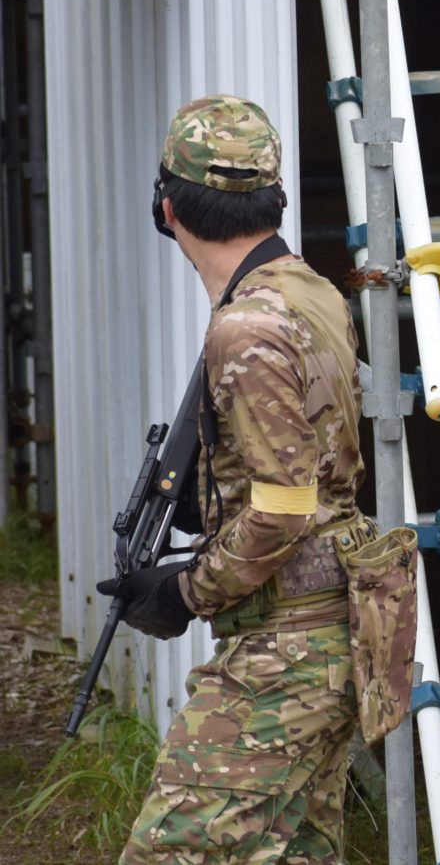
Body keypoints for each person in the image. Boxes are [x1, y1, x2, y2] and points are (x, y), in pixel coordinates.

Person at [103, 95, 368, 864]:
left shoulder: (246, 325)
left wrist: (184, 592)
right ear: (275, 197)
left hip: (287, 648)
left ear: (167, 207)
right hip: (330, 624)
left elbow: (284, 507)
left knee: (171, 851)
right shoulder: (311, 290)